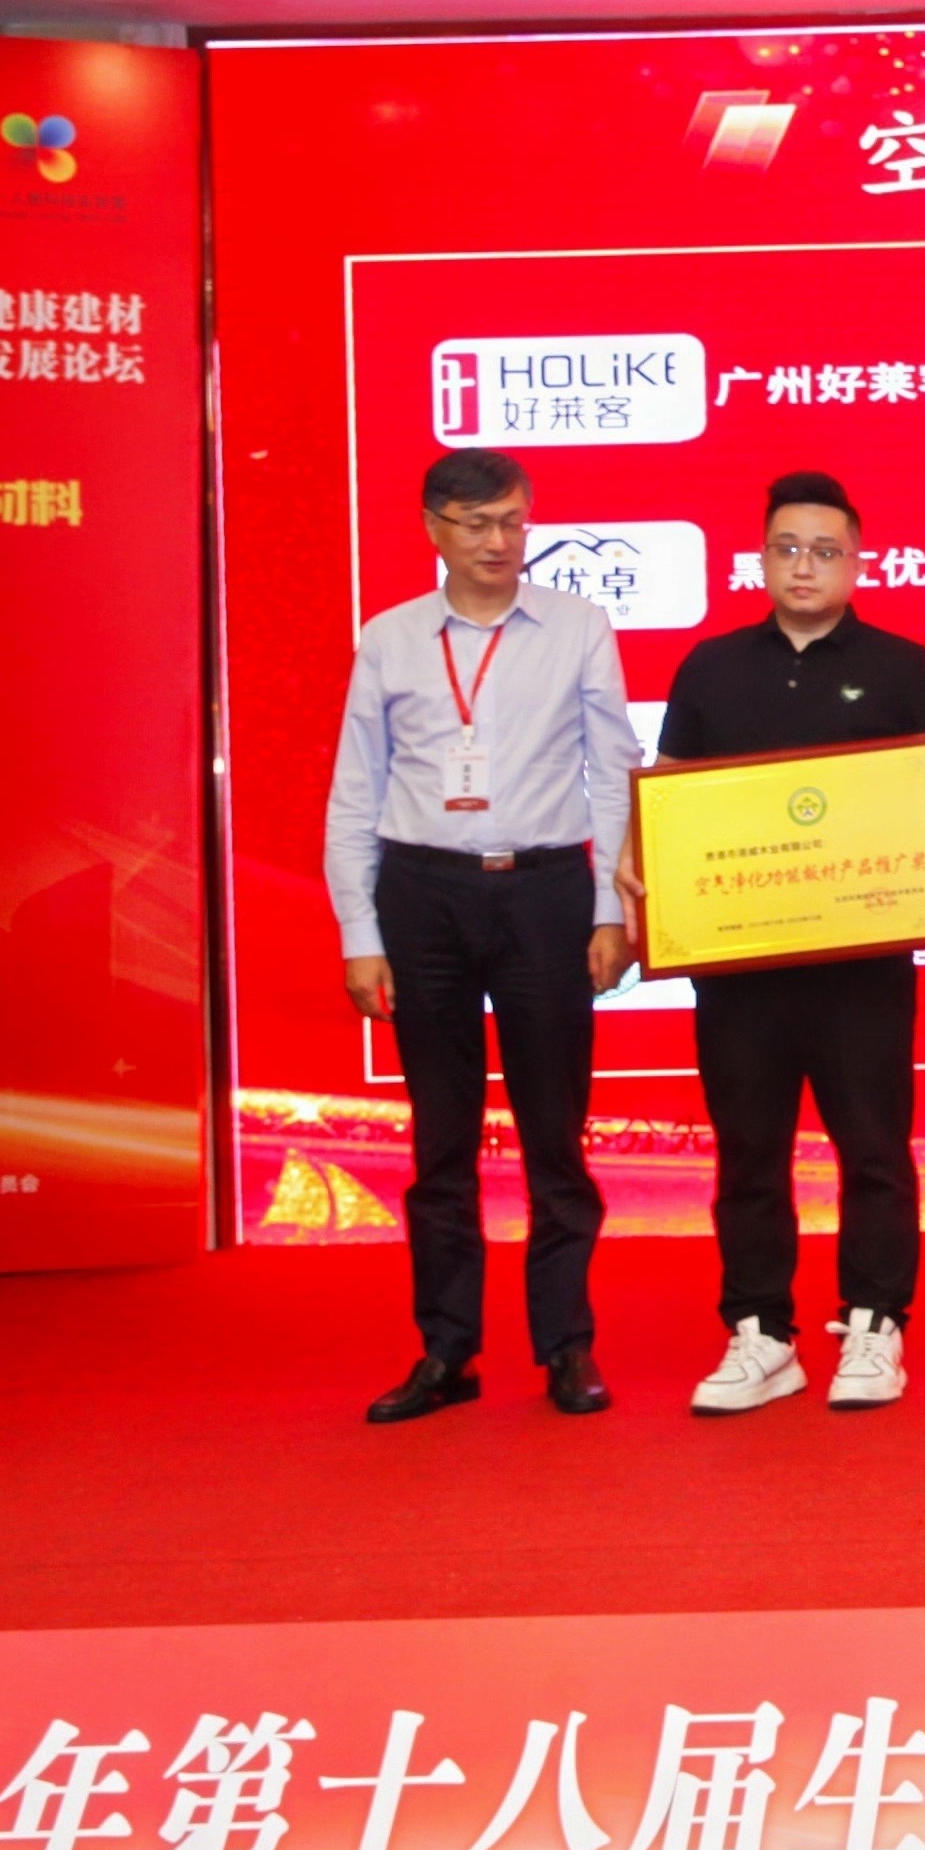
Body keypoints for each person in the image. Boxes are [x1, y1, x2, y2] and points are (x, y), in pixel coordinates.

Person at [631, 471, 925, 1416]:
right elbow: (670, 787)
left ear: (857, 562)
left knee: (873, 1146)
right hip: (742, 963)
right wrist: (645, 873)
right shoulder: (711, 667)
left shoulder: (902, 665)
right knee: (749, 1150)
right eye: (787, 547)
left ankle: (875, 1323)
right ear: (761, 557)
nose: (804, 565)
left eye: (825, 550)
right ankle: (760, 1334)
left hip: (864, 962)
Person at [325, 446, 637, 1424]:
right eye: (475, 524)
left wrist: (611, 907)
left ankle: (566, 1344)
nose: (498, 541)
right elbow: (355, 789)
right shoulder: (389, 638)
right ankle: (447, 1348)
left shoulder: (578, 627)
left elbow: (614, 773)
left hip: (543, 890)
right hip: (422, 894)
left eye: (512, 521)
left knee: (556, 1132)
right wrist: (359, 928)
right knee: (442, 1136)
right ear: (432, 528)